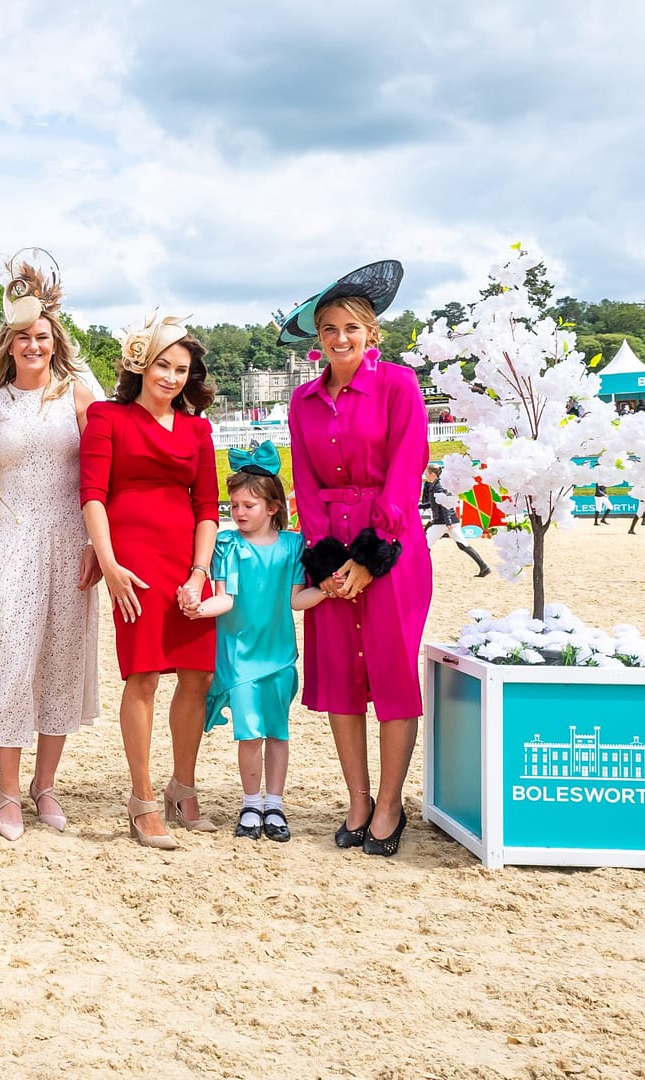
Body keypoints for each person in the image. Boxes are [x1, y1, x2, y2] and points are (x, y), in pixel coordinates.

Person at [282, 259, 433, 858]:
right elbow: (304, 478)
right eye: (328, 330)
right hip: (329, 547)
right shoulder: (302, 400)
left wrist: (372, 558)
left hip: (390, 549)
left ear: (371, 330)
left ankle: (392, 802)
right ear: (317, 340)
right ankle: (359, 798)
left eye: (350, 327)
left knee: (393, 677)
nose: (339, 339)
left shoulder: (399, 385)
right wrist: (326, 563)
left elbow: (406, 467)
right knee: (342, 678)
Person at [0, 252, 99, 841]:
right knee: (15, 658)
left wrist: (100, 545)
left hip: (71, 542)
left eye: (41, 336)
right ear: (8, 344)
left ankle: (46, 786)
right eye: (22, 337)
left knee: (61, 662)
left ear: (54, 339)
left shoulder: (80, 396)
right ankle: (9, 792)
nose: (32, 346)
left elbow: (99, 477)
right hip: (14, 541)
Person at [79, 311, 222, 851]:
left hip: (188, 563)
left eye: (182, 369)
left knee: (197, 677)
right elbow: (92, 494)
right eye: (163, 365)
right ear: (141, 365)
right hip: (132, 566)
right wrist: (110, 565)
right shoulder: (106, 417)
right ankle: (141, 801)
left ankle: (180, 787)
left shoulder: (197, 429)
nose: (171, 377)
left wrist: (199, 572)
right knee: (142, 677)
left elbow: (208, 505)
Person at [190, 444, 326, 842]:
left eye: (248, 505)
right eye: (234, 505)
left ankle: (276, 805)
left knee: (278, 733)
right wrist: (198, 608)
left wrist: (329, 591)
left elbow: (295, 601)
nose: (238, 512)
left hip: (280, 657)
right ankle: (251, 803)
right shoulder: (228, 545)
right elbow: (225, 599)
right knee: (249, 734)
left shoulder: (292, 546)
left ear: (272, 507)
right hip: (239, 658)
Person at [422, 465, 491, 577]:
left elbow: (445, 505)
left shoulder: (438, 486)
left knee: (424, 546)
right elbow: (435, 503)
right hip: (448, 521)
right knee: (463, 545)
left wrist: (448, 522)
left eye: (426, 473)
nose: (425, 475)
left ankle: (422, 570)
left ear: (433, 474)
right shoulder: (437, 485)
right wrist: (419, 506)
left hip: (442, 522)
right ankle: (484, 567)